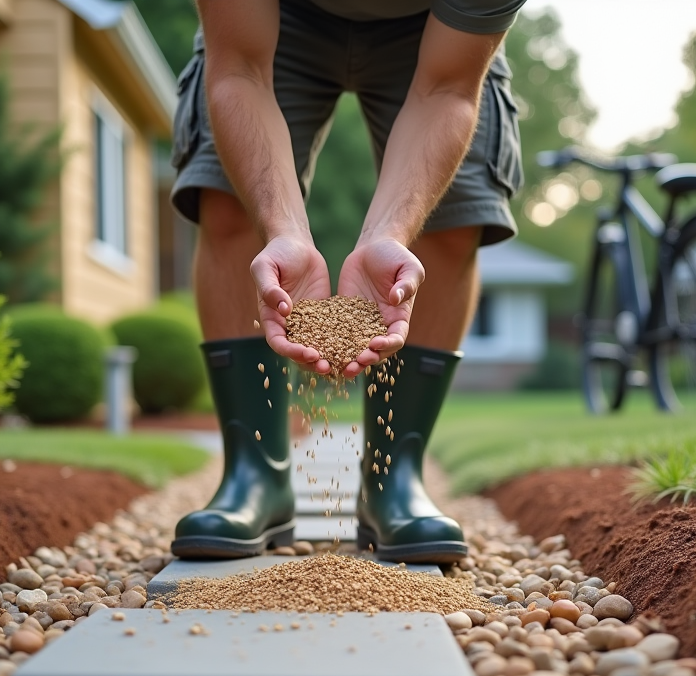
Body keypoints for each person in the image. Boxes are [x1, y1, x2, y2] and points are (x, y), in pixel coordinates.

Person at [169, 0, 524, 563]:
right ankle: (255, 474)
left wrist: (390, 234)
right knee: (228, 199)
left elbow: (447, 88)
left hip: (435, 29)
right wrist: (284, 230)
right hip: (280, 16)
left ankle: (392, 479)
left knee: (456, 215)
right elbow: (239, 70)